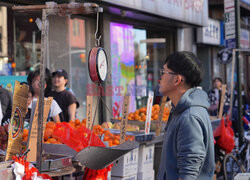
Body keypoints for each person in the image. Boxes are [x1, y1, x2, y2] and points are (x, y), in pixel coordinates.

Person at [157, 51, 215, 180]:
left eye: (164, 72)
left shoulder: (189, 117)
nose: (160, 77)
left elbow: (189, 174)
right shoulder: (180, 110)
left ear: (177, 80)